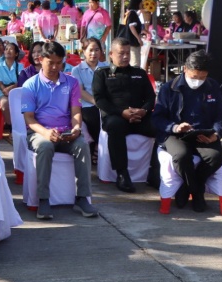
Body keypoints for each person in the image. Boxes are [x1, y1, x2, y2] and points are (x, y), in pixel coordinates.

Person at [21, 41, 97, 220]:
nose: (55, 67)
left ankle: (82, 197)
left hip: (66, 132)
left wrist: (76, 128)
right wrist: (46, 133)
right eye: (51, 63)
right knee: (45, 146)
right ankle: (43, 199)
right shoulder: (30, 85)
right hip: (39, 133)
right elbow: (29, 118)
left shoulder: (71, 83)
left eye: (59, 63)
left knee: (82, 145)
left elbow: (76, 112)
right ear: (41, 59)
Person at [152, 51, 222, 212]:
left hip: (203, 133)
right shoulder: (169, 88)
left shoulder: (212, 86)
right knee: (181, 155)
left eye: (202, 77)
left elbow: (220, 115)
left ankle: (187, 189)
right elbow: (157, 118)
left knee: (215, 157)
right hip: (175, 134)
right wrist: (175, 127)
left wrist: (216, 133)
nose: (197, 81)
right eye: (194, 77)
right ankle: (198, 194)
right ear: (185, 69)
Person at [92, 38, 156, 193]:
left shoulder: (139, 73)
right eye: (121, 53)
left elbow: (150, 97)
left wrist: (144, 111)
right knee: (115, 126)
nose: (126, 56)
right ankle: (122, 173)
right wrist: (121, 112)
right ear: (111, 54)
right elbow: (99, 100)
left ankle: (155, 171)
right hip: (116, 116)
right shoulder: (102, 74)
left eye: (128, 53)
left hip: (139, 116)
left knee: (161, 126)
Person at [70, 37, 108, 158]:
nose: (94, 53)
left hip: (106, 102)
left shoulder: (107, 67)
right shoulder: (77, 70)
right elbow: (80, 91)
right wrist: (97, 102)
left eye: (97, 50)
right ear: (84, 51)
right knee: (92, 116)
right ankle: (98, 146)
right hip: (87, 104)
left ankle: (101, 147)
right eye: (90, 50)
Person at [0, 42, 21, 126]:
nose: (8, 51)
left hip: (16, 92)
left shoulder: (20, 66)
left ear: (16, 54)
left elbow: (20, 81)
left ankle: (22, 124)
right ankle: (11, 125)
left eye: (11, 49)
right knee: (4, 104)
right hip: (2, 92)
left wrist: (10, 88)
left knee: (22, 104)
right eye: (6, 49)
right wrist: (5, 90)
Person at [118, 0, 144, 67]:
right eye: (141, 3)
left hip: (128, 40)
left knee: (130, 62)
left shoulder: (129, 13)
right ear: (137, 3)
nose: (142, 4)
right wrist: (138, 39)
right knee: (135, 62)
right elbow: (131, 26)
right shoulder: (133, 13)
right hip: (133, 41)